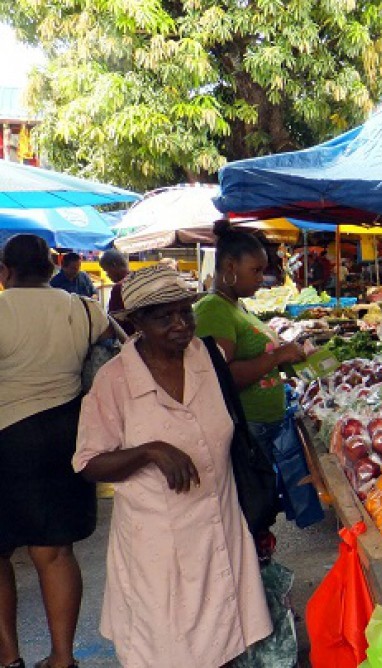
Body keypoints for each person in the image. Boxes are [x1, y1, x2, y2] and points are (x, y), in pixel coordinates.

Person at [73, 266, 271, 666]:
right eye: (165, 317)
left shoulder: (207, 357)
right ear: (138, 322)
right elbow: (89, 464)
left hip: (220, 527)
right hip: (157, 546)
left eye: (186, 312)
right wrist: (149, 451)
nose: (181, 325)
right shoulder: (114, 380)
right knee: (166, 650)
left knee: (226, 641)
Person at [0, 235, 111, 668]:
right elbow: (118, 346)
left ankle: (9, 658)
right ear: (52, 268)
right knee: (55, 552)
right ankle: (62, 658)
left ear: (5, 271)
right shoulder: (83, 308)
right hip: (65, 436)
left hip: (6, 439)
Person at [194, 221, 323, 530]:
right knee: (252, 508)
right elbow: (219, 376)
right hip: (247, 428)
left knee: (264, 506)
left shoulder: (237, 307)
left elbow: (255, 360)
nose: (261, 279)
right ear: (229, 266)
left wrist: (290, 359)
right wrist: (277, 356)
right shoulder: (213, 308)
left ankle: (260, 561)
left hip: (265, 425)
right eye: (255, 270)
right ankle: (253, 567)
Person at [98, 249, 130, 315]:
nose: (107, 275)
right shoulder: (138, 279)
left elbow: (113, 321)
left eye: (107, 270)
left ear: (114, 265)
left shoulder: (119, 288)